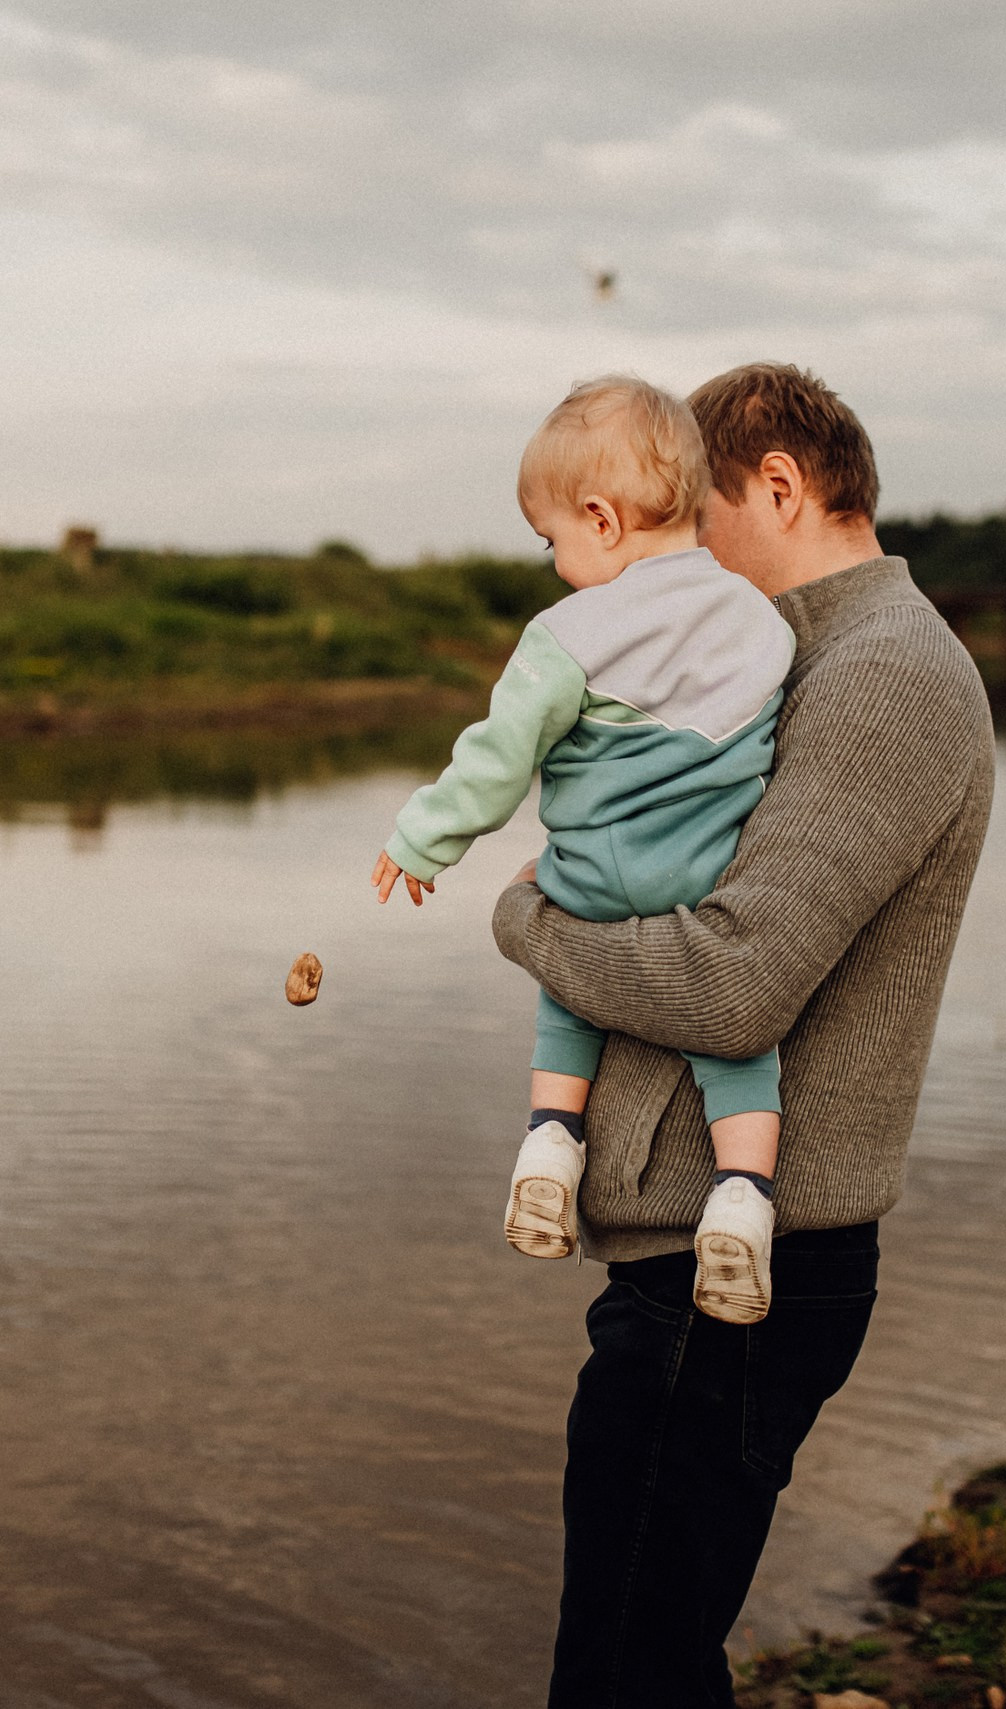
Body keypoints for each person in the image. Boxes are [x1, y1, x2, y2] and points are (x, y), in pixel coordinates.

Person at [492, 363, 995, 1707]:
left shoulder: (885, 677)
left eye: (687, 522)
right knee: (646, 1658)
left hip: (745, 1275)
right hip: (700, 1258)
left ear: (775, 485)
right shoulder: (791, 657)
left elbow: (732, 988)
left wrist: (528, 922)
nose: (667, 564)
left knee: (619, 1672)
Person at [370, 374, 797, 1323]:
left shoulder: (566, 634)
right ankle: (742, 1198)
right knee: (740, 1051)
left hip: (592, 877)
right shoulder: (765, 625)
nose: (556, 565)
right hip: (709, 880)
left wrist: (421, 840)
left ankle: (551, 1145)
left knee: (570, 990)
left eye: (553, 540)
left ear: (601, 519)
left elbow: (495, 763)